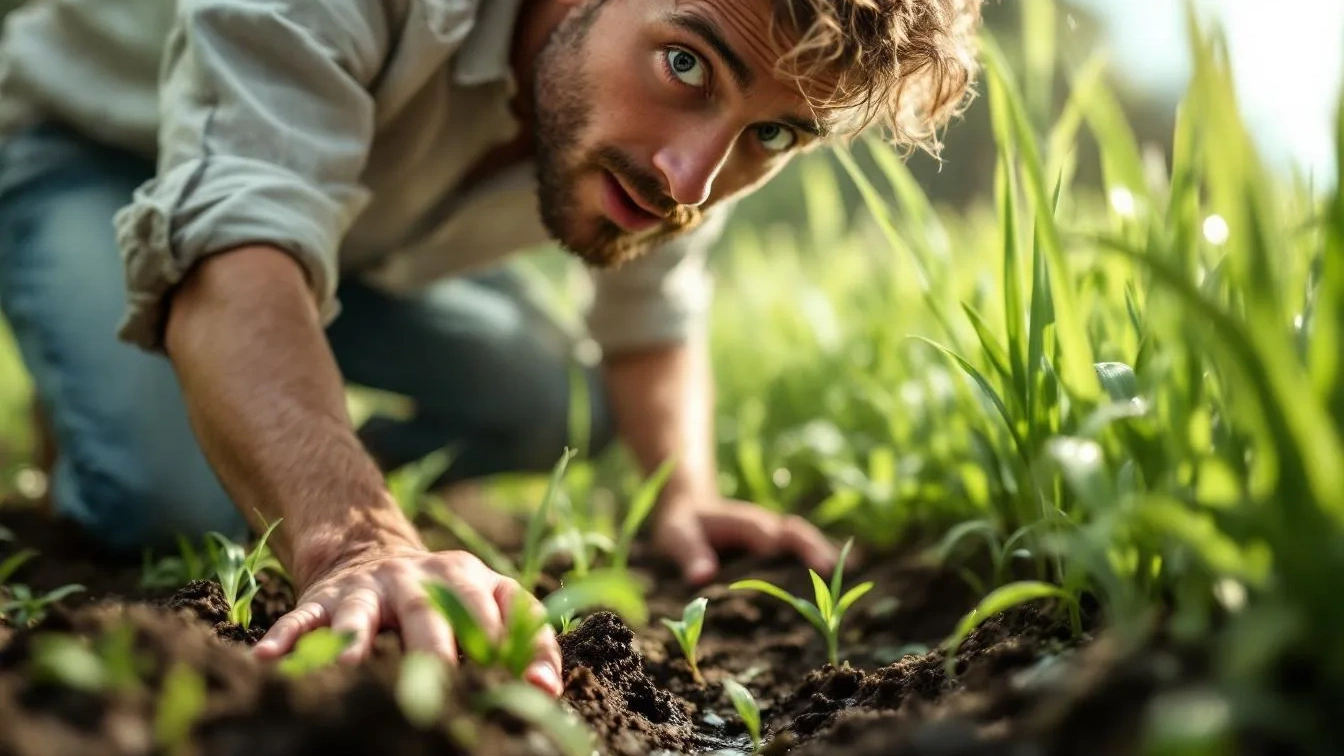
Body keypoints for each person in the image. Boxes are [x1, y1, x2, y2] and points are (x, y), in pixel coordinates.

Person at [0, 0, 981, 696]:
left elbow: (651, 310)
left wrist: (684, 492)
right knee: (178, 503)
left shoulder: (692, 124)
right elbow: (233, 247)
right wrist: (360, 542)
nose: (692, 177)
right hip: (93, 150)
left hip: (352, 234)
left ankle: (256, 390)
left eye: (770, 133)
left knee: (555, 402)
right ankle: (146, 382)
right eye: (686, 64)